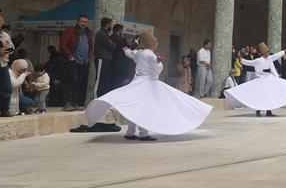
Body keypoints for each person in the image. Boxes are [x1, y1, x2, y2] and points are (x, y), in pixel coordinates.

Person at [84, 31, 212, 140]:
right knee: (145, 107)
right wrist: (158, 61)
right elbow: (155, 66)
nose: (157, 44)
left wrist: (127, 50)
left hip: (137, 82)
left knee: (136, 106)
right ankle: (143, 133)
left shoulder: (139, 53)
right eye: (156, 43)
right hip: (147, 84)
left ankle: (130, 132)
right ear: (151, 44)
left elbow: (130, 54)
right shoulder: (150, 54)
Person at [226, 42, 286, 116]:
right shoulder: (258, 60)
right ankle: (258, 110)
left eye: (268, 52)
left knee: (269, 95)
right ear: (262, 53)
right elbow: (250, 62)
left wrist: (283, 52)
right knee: (261, 95)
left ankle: (268, 111)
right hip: (261, 79)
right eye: (266, 53)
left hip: (269, 79)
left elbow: (276, 56)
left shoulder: (270, 58)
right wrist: (242, 59)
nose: (268, 54)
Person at [58, 13, 92, 111]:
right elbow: (62, 45)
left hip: (84, 61)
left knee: (79, 82)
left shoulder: (88, 33)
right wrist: (70, 56)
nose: (84, 23)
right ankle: (67, 102)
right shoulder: (70, 31)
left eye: (85, 22)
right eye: (82, 21)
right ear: (78, 21)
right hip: (73, 60)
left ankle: (75, 102)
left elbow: (90, 45)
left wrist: (89, 56)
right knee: (71, 81)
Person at [0, 14, 14, 117]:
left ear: (3, 21)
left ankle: (5, 110)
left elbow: (12, 48)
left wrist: (4, 51)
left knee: (7, 88)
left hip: (3, 64)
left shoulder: (6, 35)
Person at [93, 17, 115, 96]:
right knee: (99, 80)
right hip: (101, 59)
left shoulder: (105, 34)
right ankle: (96, 99)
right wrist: (112, 44)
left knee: (105, 81)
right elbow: (112, 46)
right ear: (107, 24)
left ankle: (102, 99)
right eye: (111, 24)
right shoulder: (101, 34)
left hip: (106, 59)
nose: (112, 26)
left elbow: (112, 45)